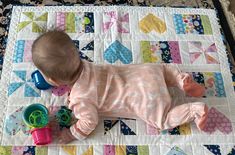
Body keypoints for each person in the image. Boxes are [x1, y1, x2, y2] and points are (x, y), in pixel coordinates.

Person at [32, 30, 208, 143]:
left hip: (146, 99)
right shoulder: (85, 64)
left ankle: (195, 110)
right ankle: (179, 79)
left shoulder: (80, 100)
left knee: (163, 120)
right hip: (146, 73)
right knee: (162, 69)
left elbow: (89, 122)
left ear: (53, 81)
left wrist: (72, 133)